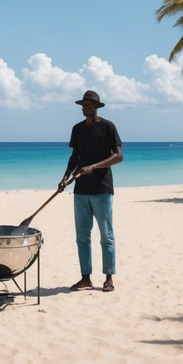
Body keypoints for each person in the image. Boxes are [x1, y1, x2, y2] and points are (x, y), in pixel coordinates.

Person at [59, 89, 123, 292]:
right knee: (82, 237)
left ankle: (109, 278)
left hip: (102, 189)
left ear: (96, 106)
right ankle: (85, 277)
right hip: (80, 190)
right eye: (83, 105)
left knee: (106, 235)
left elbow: (119, 156)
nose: (84, 108)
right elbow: (75, 156)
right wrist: (66, 176)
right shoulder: (77, 129)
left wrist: (93, 167)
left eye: (88, 105)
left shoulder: (108, 127)